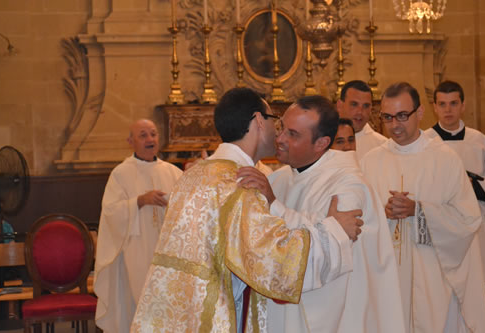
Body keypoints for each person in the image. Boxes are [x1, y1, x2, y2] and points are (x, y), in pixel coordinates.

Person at [131, 88, 363, 333]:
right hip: (214, 317)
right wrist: (335, 231)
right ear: (259, 120)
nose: (279, 133)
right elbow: (276, 263)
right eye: (275, 121)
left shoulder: (194, 175)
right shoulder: (239, 183)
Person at [237, 95, 405, 332]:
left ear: (321, 143)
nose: (280, 138)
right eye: (281, 127)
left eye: (293, 134)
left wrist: (274, 204)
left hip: (336, 317)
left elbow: (328, 252)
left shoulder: (348, 186)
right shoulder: (278, 178)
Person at [361, 82, 485, 332]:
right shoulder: (371, 161)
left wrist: (418, 211)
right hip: (386, 276)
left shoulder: (444, 159)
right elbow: (360, 221)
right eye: (387, 117)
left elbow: (467, 221)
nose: (394, 125)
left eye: (402, 116)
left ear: (419, 113)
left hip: (433, 278)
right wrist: (381, 213)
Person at [93, 119, 183, 333]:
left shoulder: (174, 173)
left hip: (168, 255)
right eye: (143, 135)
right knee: (138, 307)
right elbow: (110, 213)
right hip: (135, 253)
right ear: (130, 141)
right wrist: (139, 201)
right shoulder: (120, 174)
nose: (150, 139)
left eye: (153, 134)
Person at [425, 80, 485, 327]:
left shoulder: (481, 142)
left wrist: (469, 185)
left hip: (476, 233)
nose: (448, 110)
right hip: (439, 232)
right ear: (434, 107)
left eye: (453, 103)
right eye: (442, 104)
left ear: (463, 106)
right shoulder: (425, 143)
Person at [337, 80, 387, 159]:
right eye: (354, 104)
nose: (360, 112)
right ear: (340, 106)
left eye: (366, 106)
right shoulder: (324, 141)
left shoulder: (383, 146)